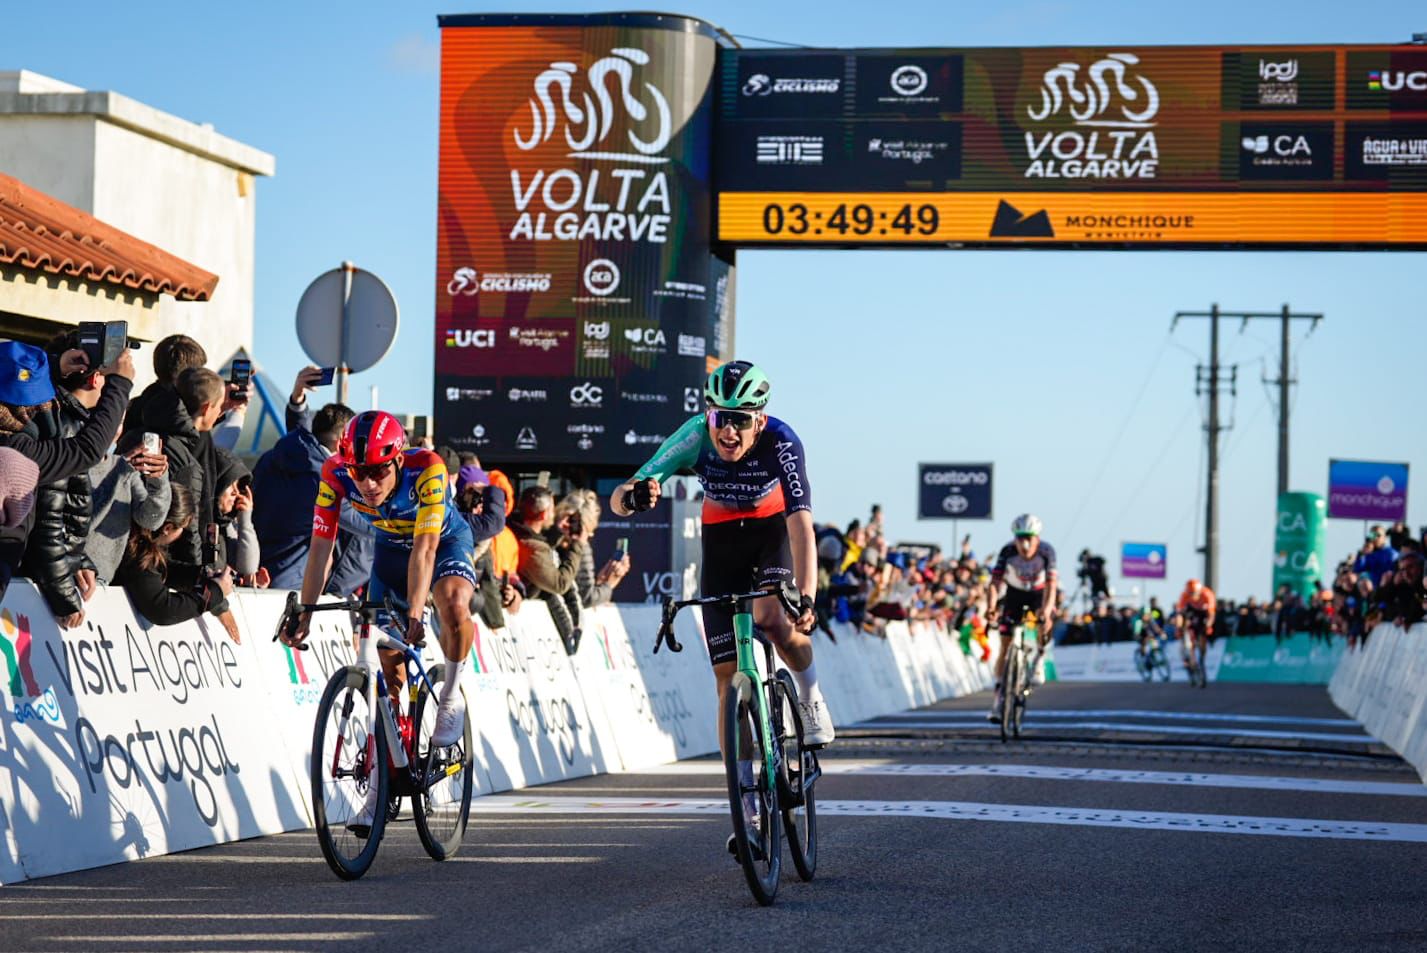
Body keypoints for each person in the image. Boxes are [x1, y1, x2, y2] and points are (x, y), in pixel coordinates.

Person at [609, 360, 831, 852]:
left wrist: (808, 595)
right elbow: (623, 496)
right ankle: (747, 814)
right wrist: (636, 497)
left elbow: (801, 526)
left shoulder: (783, 442)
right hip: (722, 540)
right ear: (707, 416)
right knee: (728, 681)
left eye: (741, 419)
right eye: (720, 419)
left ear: (760, 419)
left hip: (772, 534)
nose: (729, 431)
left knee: (774, 620)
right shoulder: (694, 436)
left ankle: (811, 696)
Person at [282, 411, 478, 836]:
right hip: (390, 557)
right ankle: (380, 788)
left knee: (452, 603)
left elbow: (425, 551)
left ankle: (450, 691)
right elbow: (321, 546)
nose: (368, 484)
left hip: (441, 547)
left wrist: (414, 612)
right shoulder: (335, 473)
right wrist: (306, 610)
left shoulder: (427, 469)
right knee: (385, 679)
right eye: (360, 473)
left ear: (397, 459)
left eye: (376, 472)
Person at [0, 340, 134, 583]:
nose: (44, 409)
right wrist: (120, 384)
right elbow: (85, 450)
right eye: (34, 403)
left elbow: (11, 374)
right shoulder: (13, 451)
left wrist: (55, 365)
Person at [253, 376, 370, 595]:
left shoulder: (277, 456)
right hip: (285, 585)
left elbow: (300, 437)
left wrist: (298, 400)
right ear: (340, 444)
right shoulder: (326, 485)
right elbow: (368, 525)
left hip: (253, 570)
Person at [114, 485, 237, 635]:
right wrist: (212, 594)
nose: (180, 535)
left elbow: (161, 570)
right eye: (181, 529)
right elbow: (162, 609)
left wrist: (199, 575)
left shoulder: (137, 540)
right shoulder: (136, 552)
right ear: (167, 528)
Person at [986, 514, 1058, 721]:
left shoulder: (1046, 552)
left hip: (1039, 593)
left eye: (1029, 538)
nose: (1025, 544)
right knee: (1005, 643)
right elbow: (995, 582)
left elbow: (1052, 586)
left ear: (1037, 538)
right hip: (1014, 594)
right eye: (1020, 538)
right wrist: (991, 606)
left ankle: (1039, 657)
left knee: (1044, 620)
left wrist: (1046, 610)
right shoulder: (1007, 552)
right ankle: (999, 698)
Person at [85, 434, 171, 586]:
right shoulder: (74, 460)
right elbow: (80, 524)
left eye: (120, 420)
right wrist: (119, 472)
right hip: (66, 572)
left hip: (101, 580)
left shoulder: (124, 468)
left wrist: (158, 480)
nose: (114, 426)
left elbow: (149, 520)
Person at [507, 486, 584, 654]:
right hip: (514, 614)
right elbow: (560, 584)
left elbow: (538, 542)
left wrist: (558, 533)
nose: (553, 514)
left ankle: (570, 638)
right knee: (549, 592)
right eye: (551, 510)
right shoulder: (534, 549)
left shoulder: (513, 529)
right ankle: (571, 643)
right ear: (543, 515)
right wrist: (577, 545)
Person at [1175, 578, 1216, 677]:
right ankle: (1188, 655)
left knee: (1204, 632)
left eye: (1194, 593)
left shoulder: (1208, 594)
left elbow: (1211, 615)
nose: (1193, 596)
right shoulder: (1184, 595)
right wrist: (1179, 628)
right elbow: (1180, 615)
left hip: (1203, 614)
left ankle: (1201, 656)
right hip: (1190, 614)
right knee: (1186, 630)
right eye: (1190, 593)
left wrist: (1208, 625)